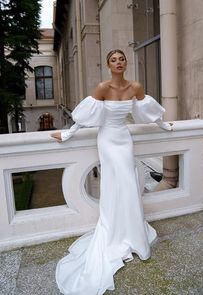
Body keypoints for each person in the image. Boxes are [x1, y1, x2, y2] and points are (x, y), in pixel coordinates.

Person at [51, 49, 173, 295]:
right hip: (107, 140)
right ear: (108, 65)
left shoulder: (135, 86)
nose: (118, 63)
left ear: (126, 63)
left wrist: (164, 125)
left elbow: (146, 112)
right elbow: (85, 118)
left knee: (128, 183)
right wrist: (67, 134)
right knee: (113, 185)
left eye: (121, 59)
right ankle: (114, 232)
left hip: (124, 139)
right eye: (113, 60)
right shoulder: (102, 88)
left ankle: (132, 233)